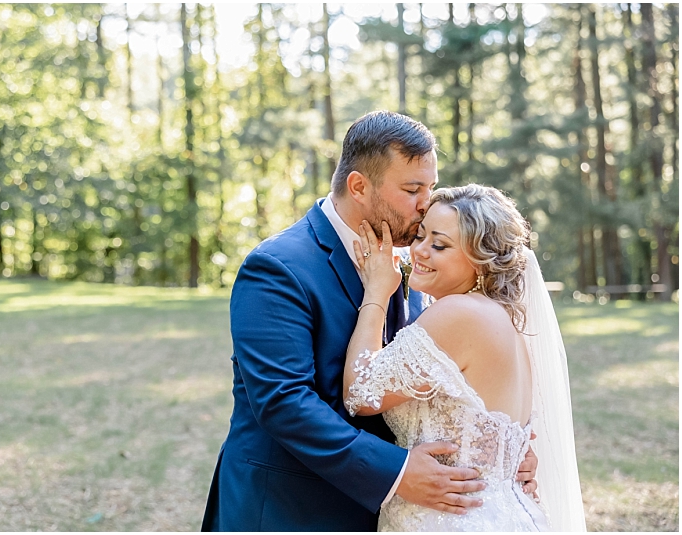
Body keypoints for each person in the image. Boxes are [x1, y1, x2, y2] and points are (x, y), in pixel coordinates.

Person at [201, 111, 537, 531]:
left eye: (429, 188)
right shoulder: (278, 267)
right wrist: (396, 472)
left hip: (395, 512)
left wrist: (500, 454)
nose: (425, 204)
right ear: (359, 186)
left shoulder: (421, 266)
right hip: (292, 508)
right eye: (412, 189)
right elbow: (283, 401)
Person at [344, 184, 587, 531]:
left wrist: (377, 292)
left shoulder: (459, 314)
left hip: (452, 519)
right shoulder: (503, 320)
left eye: (439, 245)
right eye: (421, 236)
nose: (419, 252)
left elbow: (360, 393)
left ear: (482, 261)